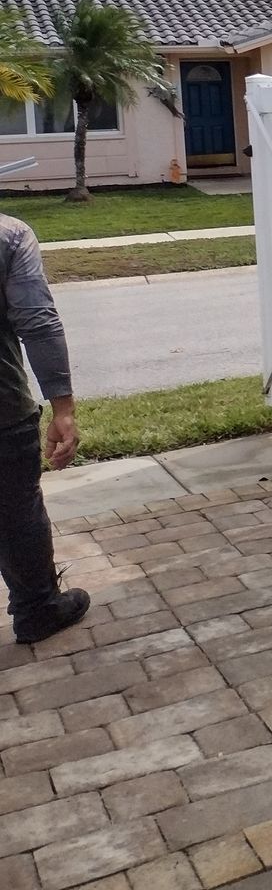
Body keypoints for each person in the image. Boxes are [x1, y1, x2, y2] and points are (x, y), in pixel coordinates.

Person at [0, 216, 89, 644]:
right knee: (16, 511)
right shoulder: (10, 236)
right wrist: (64, 409)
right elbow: (37, 322)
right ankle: (37, 609)